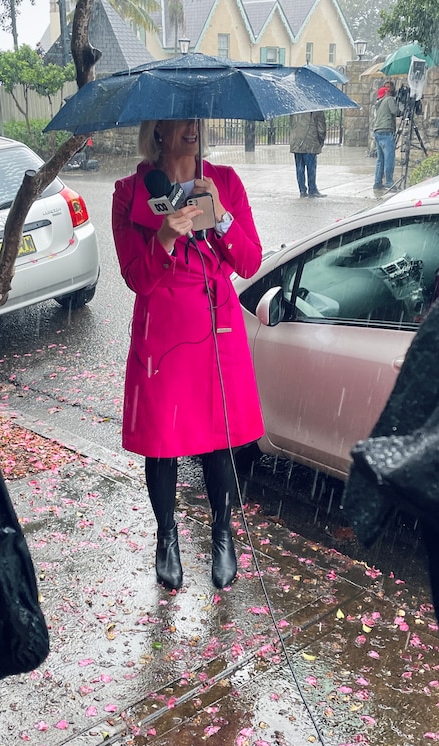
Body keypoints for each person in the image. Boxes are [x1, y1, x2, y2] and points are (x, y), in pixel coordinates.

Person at [111, 119, 264, 593]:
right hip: (163, 332)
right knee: (163, 441)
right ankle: (167, 536)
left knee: (220, 437)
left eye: (194, 118)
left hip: (217, 327)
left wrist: (222, 216)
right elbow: (136, 278)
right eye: (178, 120)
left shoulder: (226, 183)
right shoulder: (128, 192)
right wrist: (163, 238)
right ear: (159, 131)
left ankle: (222, 532)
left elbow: (250, 262)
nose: (191, 126)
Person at [289, 110, 327, 198]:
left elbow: (292, 125)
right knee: (311, 167)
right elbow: (321, 128)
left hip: (296, 141)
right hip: (310, 141)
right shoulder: (316, 108)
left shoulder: (294, 108)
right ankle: (312, 190)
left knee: (299, 167)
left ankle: (302, 190)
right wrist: (320, 141)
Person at [371, 79, 398, 192]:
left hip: (377, 131)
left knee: (380, 159)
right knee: (389, 158)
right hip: (386, 130)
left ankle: (377, 182)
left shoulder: (379, 102)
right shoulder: (389, 99)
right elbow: (395, 111)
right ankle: (389, 182)